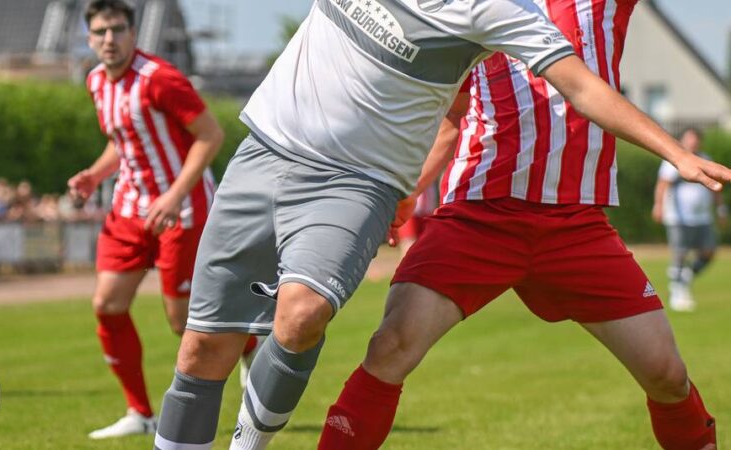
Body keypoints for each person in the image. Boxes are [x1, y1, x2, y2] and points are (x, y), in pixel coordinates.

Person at [153, 1, 731, 449]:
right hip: (477, 214)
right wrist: (407, 192)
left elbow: (584, 89)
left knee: (666, 374)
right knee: (391, 347)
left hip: (575, 224)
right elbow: (450, 119)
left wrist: (675, 154)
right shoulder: (472, 22)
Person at [67, 0, 225, 439]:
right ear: (89, 38)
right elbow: (123, 139)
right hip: (129, 209)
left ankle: (248, 347)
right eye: (101, 32)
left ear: (133, 34)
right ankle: (139, 413)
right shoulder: (96, 81)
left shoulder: (160, 79)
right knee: (107, 304)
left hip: (182, 210)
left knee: (181, 323)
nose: (109, 39)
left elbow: (210, 135)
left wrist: (174, 195)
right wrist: (94, 175)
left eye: (118, 29)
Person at [653, 128, 727, 312]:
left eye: (696, 139)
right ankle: (678, 292)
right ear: (683, 141)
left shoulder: (706, 159)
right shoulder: (674, 159)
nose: (693, 143)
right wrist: (659, 205)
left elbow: (715, 187)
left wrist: (721, 209)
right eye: (689, 139)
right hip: (679, 218)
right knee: (680, 254)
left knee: (709, 251)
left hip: (702, 217)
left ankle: (686, 276)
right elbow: (663, 185)